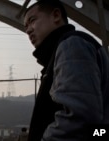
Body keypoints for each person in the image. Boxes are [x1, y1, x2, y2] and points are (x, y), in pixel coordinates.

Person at [23, 0, 109, 141]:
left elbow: (79, 118)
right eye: (25, 27)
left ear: (56, 15)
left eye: (32, 21)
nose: (28, 30)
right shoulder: (60, 53)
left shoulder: (72, 44)